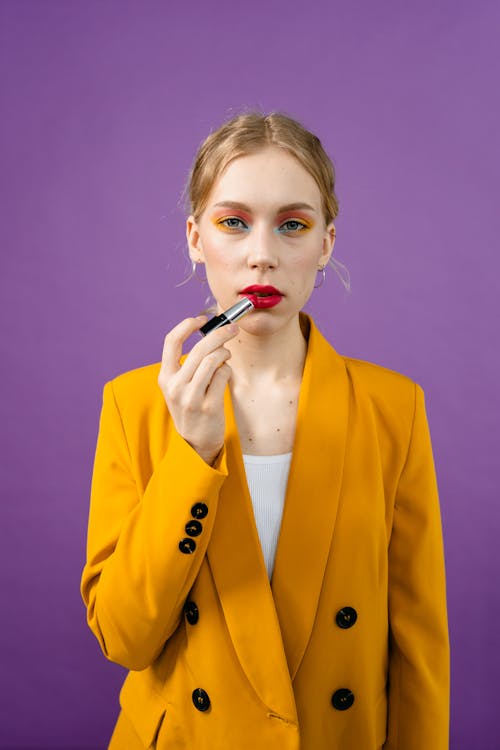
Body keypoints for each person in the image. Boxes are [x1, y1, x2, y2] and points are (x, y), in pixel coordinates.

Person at [80, 112, 450, 749]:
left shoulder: (394, 407)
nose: (262, 254)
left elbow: (418, 646)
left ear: (326, 244)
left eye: (293, 225)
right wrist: (192, 453)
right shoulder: (134, 403)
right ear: (196, 238)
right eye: (233, 222)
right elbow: (124, 636)